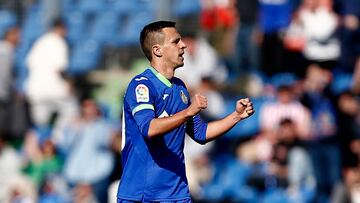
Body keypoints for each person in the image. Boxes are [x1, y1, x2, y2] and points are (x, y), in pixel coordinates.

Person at [117, 21, 254, 202]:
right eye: (176, 41)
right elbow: (148, 128)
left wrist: (236, 116)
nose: (183, 45)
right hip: (142, 194)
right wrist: (188, 112)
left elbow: (200, 133)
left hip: (177, 192)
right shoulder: (142, 85)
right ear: (158, 50)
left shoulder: (180, 88)